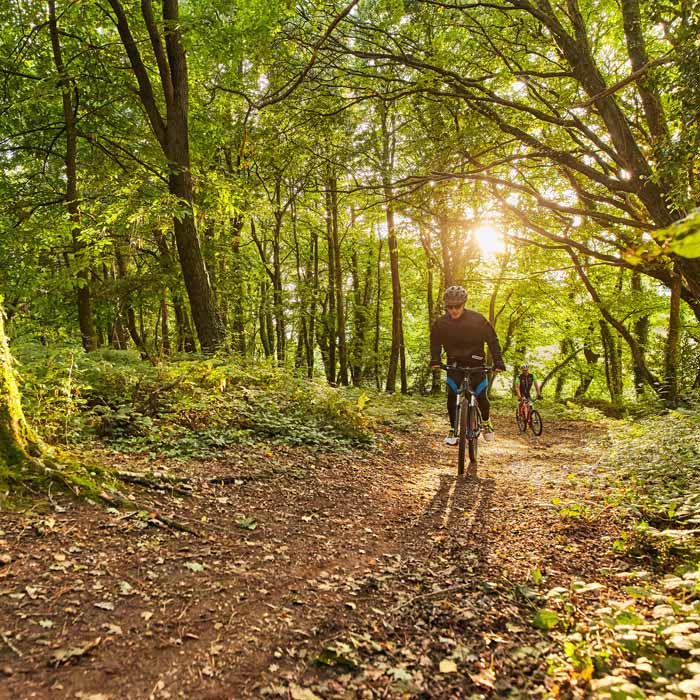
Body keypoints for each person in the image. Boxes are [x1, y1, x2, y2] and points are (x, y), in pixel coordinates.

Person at [430, 285, 506, 446]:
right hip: (454, 364)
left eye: (457, 306)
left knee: (481, 396)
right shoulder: (441, 323)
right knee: (451, 395)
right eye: (450, 307)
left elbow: (492, 340)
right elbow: (435, 342)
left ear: (464, 304)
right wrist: (435, 359)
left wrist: (498, 362)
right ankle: (452, 429)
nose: (453, 310)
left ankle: (486, 422)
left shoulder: (477, 319)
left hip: (476, 363)